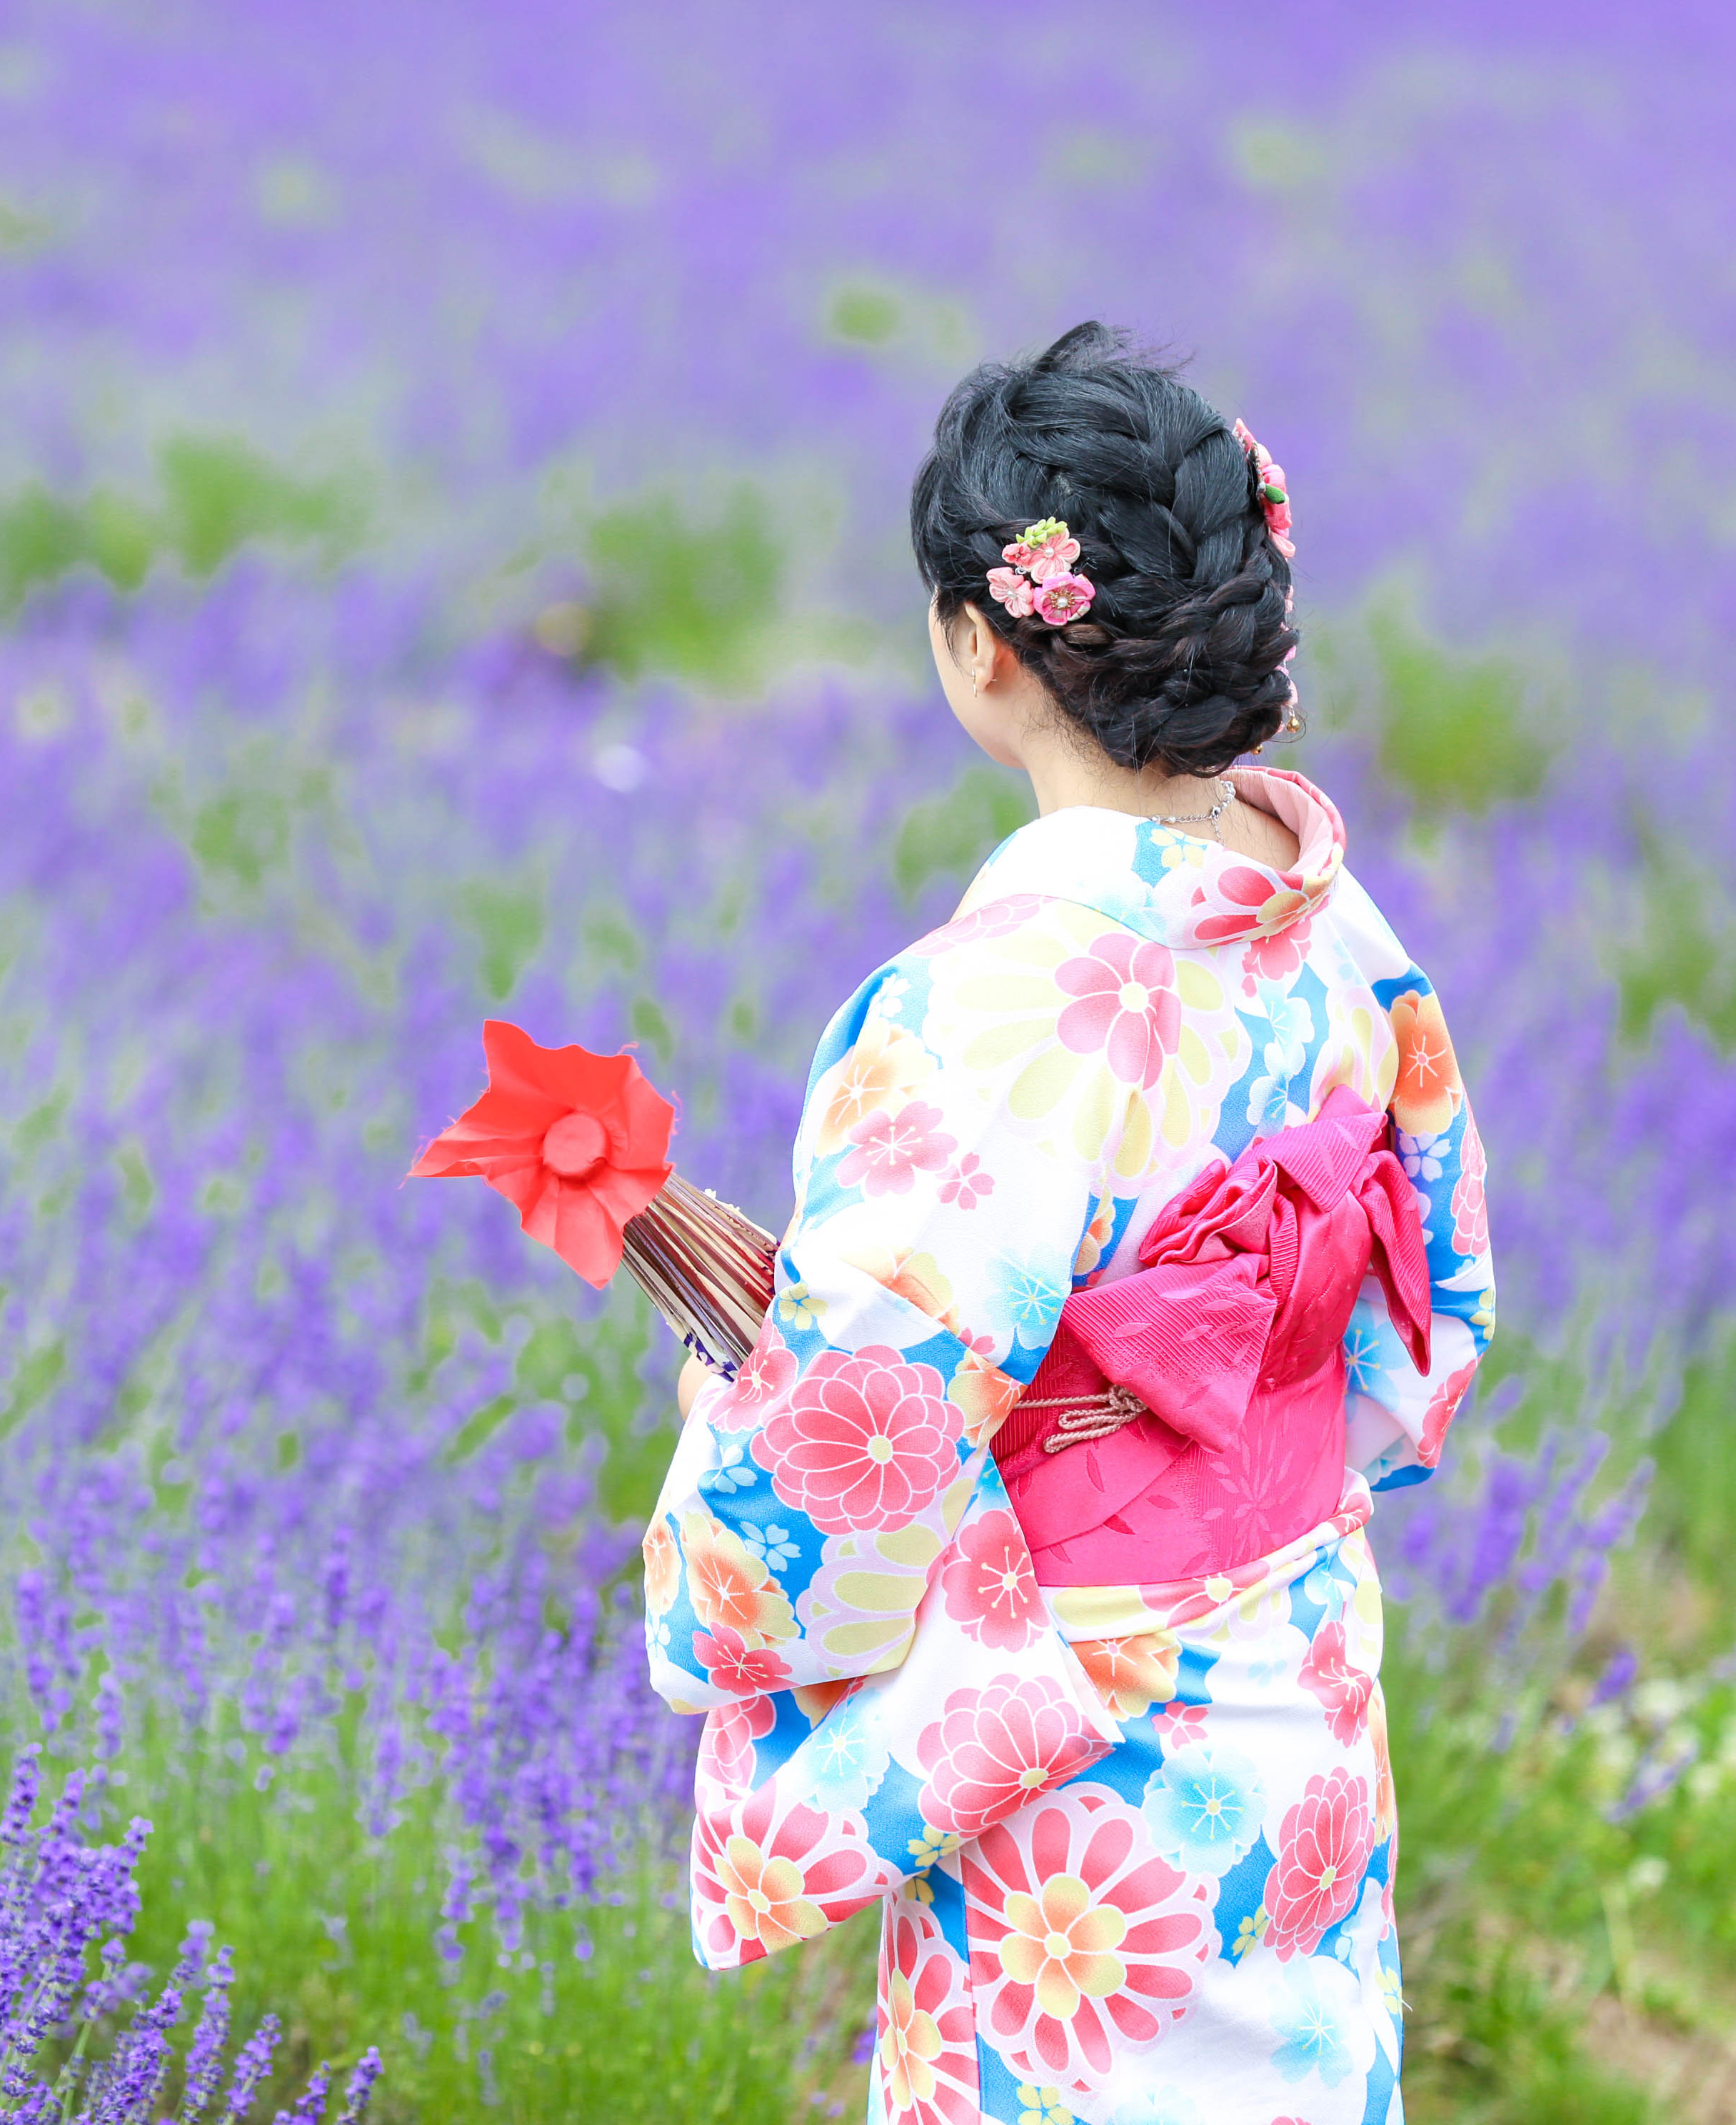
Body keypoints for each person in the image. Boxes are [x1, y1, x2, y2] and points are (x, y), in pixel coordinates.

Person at [638, 321, 1493, 2123]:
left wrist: (725, 1440)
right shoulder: (1328, 927)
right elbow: (1428, 1319)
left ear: (987, 649)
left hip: (1084, 1736)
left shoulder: (987, 1014)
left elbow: (844, 1448)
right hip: (1299, 1682)